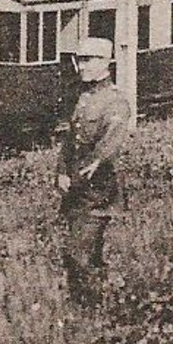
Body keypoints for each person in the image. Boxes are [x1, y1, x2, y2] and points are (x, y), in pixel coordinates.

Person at [57, 36, 128, 306]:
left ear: (106, 62)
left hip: (98, 189)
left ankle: (90, 306)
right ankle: (98, 303)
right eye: (79, 59)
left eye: (88, 60)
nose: (81, 66)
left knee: (78, 251)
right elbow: (69, 140)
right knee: (84, 251)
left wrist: (95, 162)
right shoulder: (83, 97)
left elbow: (111, 142)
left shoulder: (115, 101)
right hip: (77, 188)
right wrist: (61, 171)